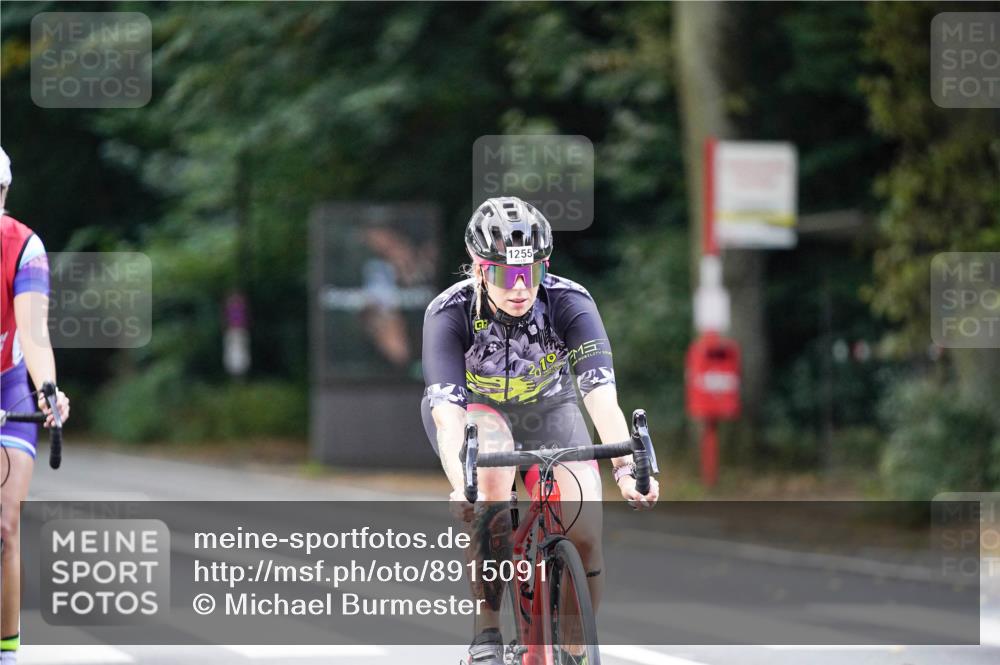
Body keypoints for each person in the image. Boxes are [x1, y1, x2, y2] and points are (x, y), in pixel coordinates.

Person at [421, 196, 659, 665]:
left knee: (585, 522)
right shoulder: (448, 313)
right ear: (478, 268)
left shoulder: (570, 302)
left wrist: (627, 468)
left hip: (550, 410)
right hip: (477, 413)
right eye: (505, 275)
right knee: (489, 485)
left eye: (531, 272)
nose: (519, 287)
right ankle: (487, 630)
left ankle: (575, 647)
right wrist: (460, 482)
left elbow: (600, 396)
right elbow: (447, 414)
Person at [0, 147, 70, 665]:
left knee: (3, 528)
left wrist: (47, 390)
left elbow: (34, 333)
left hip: (8, 390)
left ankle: (6, 653)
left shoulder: (23, 245)